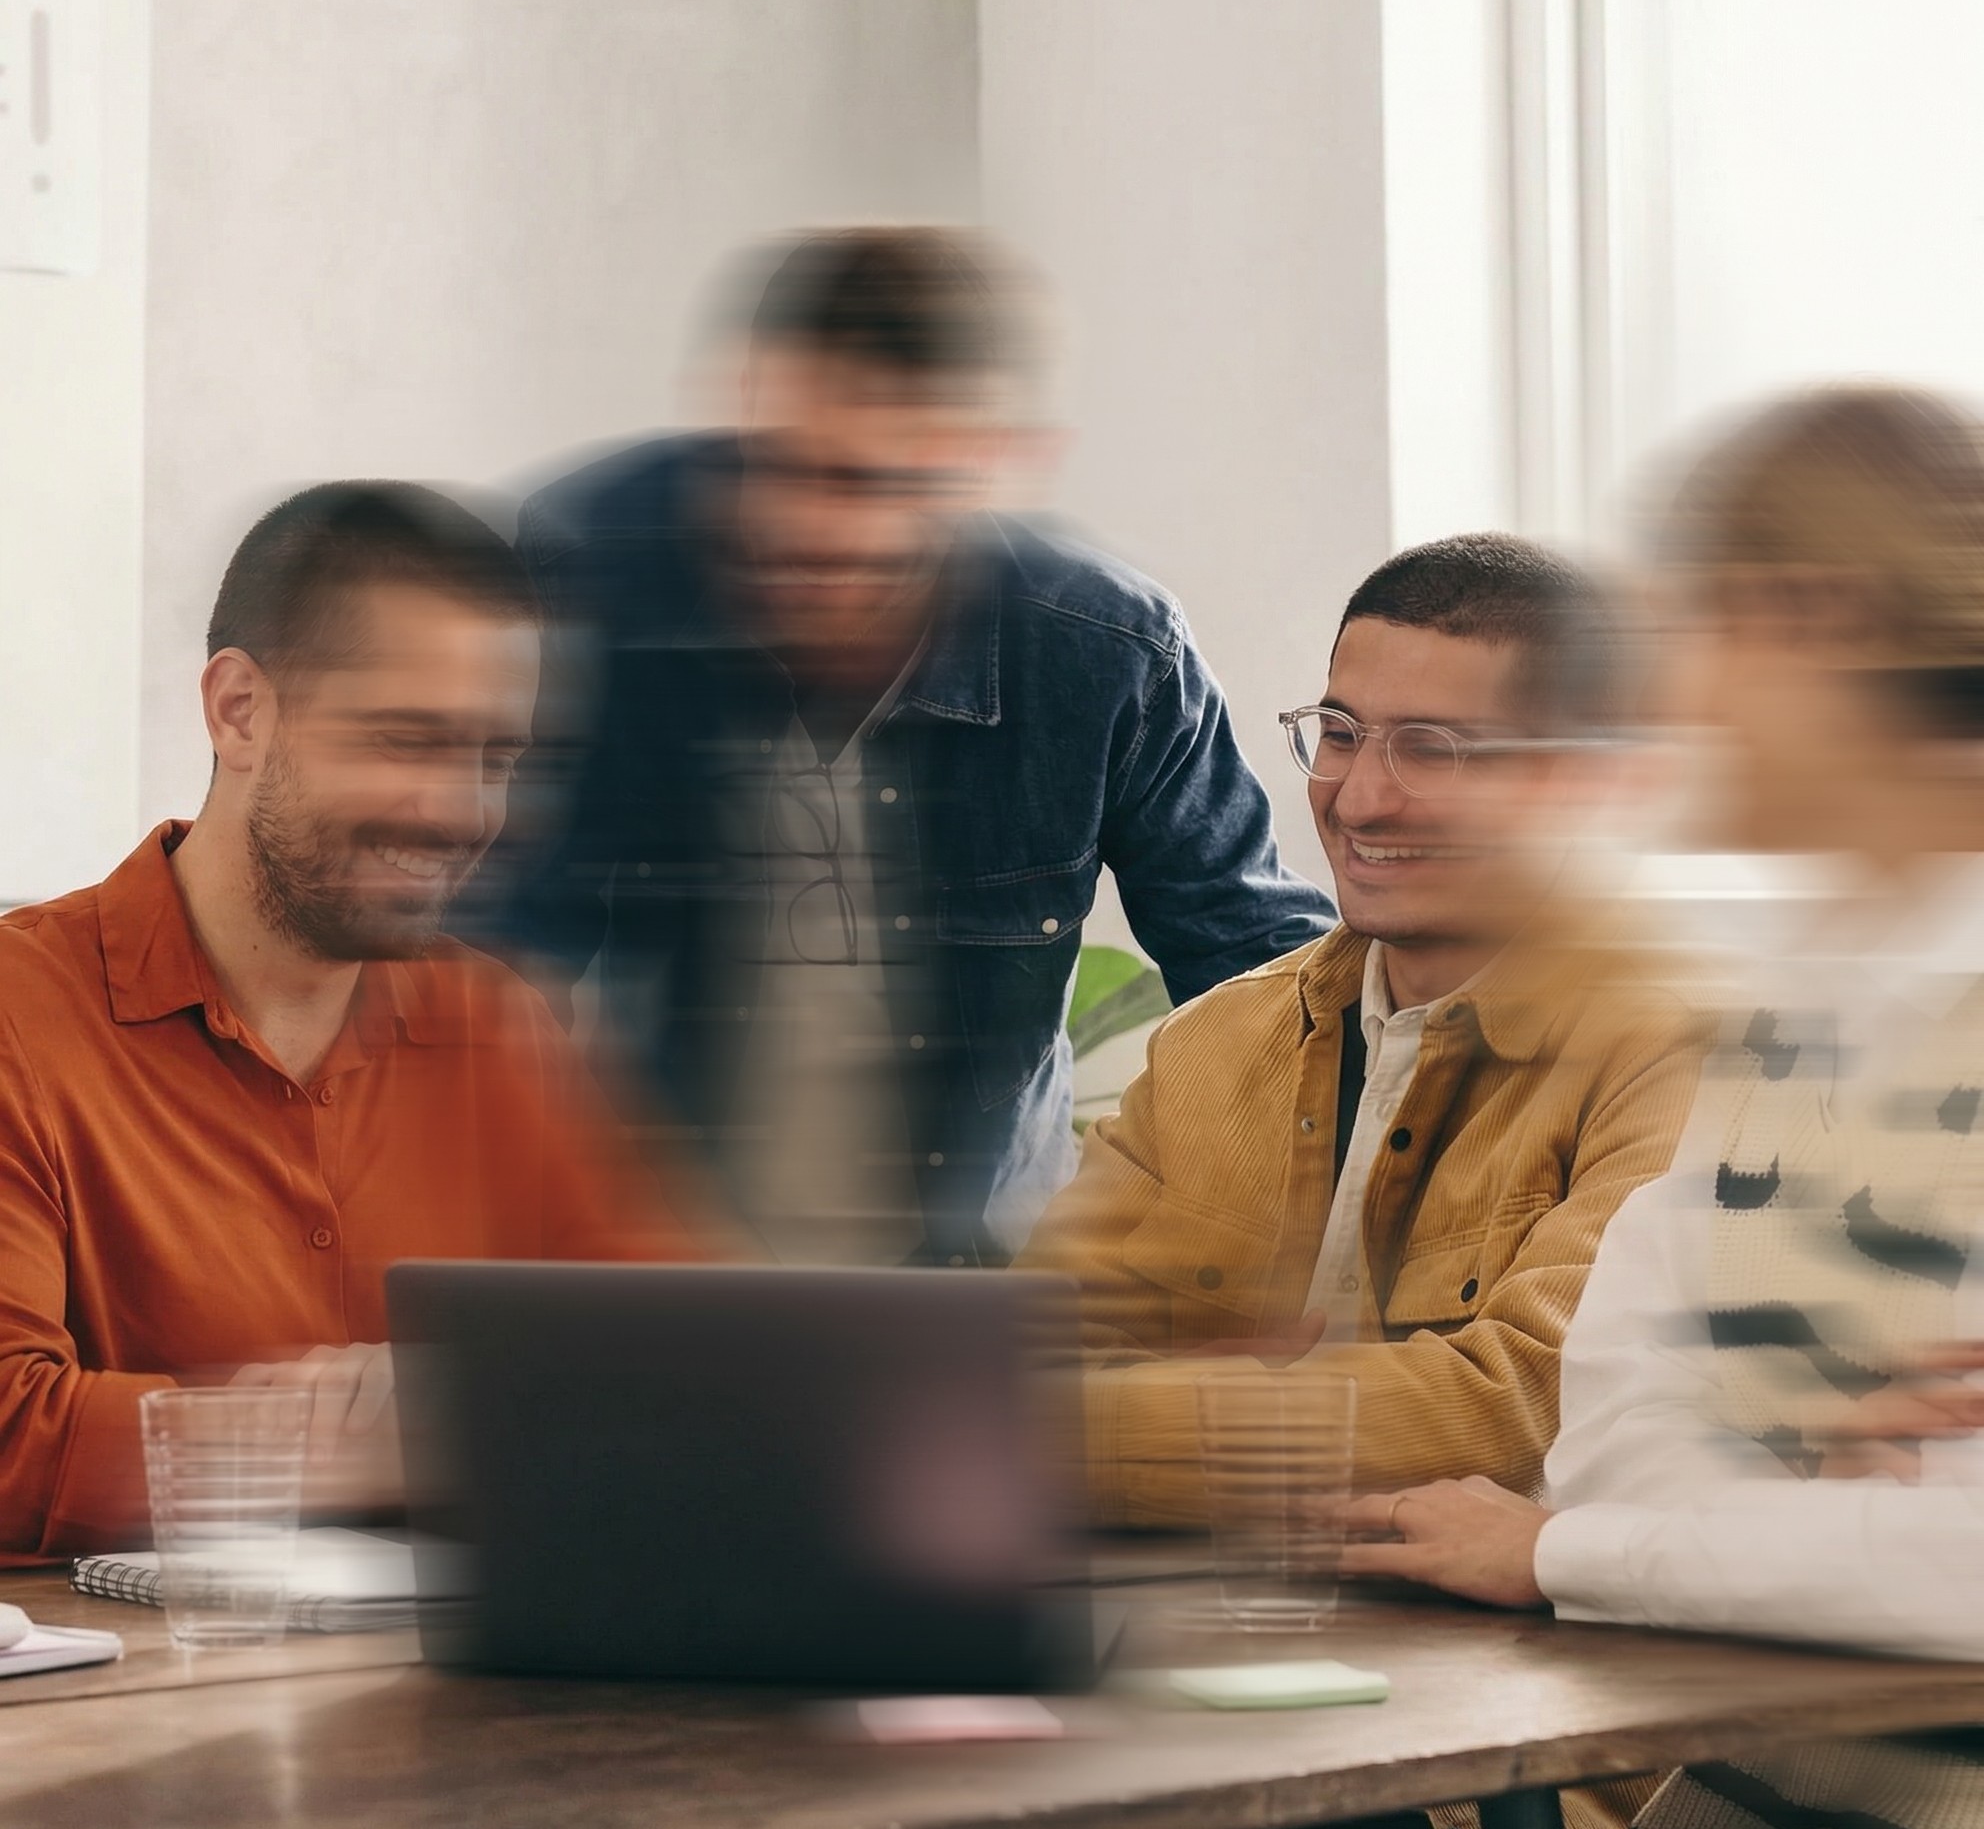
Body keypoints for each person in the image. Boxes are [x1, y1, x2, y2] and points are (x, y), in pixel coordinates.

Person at [1342, 387, 1984, 1829]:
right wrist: (1793, 1499)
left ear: (1819, 617)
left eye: (1691, 627)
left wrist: (1581, 1549)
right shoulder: (1809, 1000)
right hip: (1745, 1804)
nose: (1662, 693)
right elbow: (1615, 1422)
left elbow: (1967, 1567)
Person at [474, 226, 1331, 1266]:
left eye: (887, 490)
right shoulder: (581, 577)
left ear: (999, 467)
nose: (820, 533)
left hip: (972, 1291)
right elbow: (472, 964)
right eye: (779, 469)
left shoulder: (1107, 654)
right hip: (645, 1276)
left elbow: (1268, 986)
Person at [0, 483, 699, 1561]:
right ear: (239, 711)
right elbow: (9, 1441)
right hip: (128, 1705)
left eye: (495, 758)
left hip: (472, 1702)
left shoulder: (498, 1025)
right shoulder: (20, 1016)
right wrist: (371, 1439)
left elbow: (688, 1370)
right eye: (404, 740)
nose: (461, 810)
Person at [1016, 533, 1708, 1525]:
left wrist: (1120, 1422)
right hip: (1190, 1623)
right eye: (1340, 733)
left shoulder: (1678, 1052)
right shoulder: (1208, 1044)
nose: (1359, 798)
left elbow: (1518, 1401)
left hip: (1531, 1662)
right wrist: (1324, 1414)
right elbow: (1023, 1360)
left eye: (1433, 749)